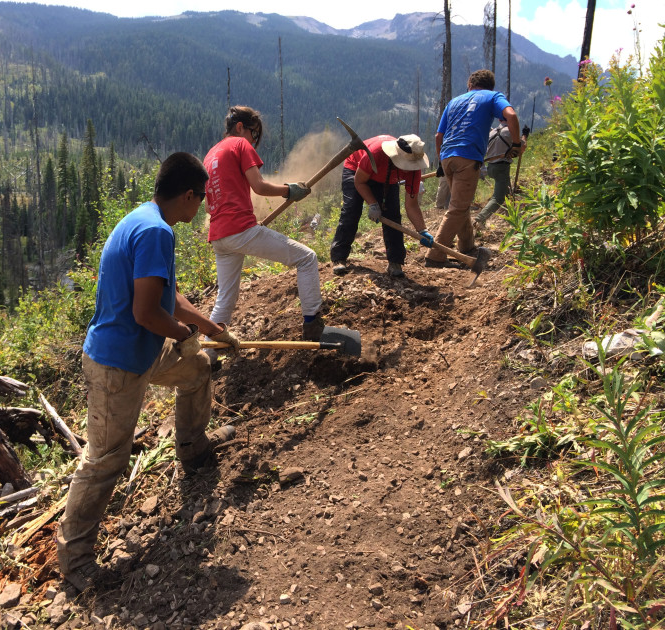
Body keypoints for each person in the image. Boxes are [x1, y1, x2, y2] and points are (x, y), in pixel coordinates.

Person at [57, 152, 241, 592]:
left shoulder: (147, 219)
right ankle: (76, 560)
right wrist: (182, 334)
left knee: (196, 369)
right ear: (187, 195)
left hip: (140, 351)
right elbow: (145, 312)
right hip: (117, 364)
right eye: (200, 201)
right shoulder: (157, 232)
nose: (199, 211)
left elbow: (167, 298)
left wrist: (211, 328)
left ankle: (193, 449)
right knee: (106, 461)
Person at [204, 106, 322, 341]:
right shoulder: (240, 144)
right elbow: (259, 186)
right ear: (240, 127)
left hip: (219, 236)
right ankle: (313, 325)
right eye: (253, 134)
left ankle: (209, 354)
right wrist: (290, 190)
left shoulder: (210, 155)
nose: (254, 140)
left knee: (225, 298)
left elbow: (208, 206)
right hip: (240, 229)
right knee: (307, 259)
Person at [426, 69, 521, 268]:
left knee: (462, 203)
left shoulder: (454, 102)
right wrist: (516, 144)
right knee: (458, 208)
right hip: (467, 157)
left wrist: (442, 161)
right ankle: (435, 255)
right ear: (491, 86)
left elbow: (438, 136)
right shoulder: (493, 96)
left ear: (470, 85)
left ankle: (467, 246)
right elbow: (511, 115)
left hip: (447, 156)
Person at [330, 134, 435, 278]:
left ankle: (395, 262)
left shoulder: (414, 169)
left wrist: (422, 230)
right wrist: (373, 204)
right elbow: (359, 182)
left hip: (386, 179)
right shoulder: (376, 153)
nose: (407, 170)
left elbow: (411, 205)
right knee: (352, 210)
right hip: (356, 170)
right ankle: (339, 258)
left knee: (392, 214)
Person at [473, 119, 527, 229]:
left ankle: (513, 220)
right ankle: (480, 219)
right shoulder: (510, 132)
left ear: (499, 119)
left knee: (507, 194)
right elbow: (522, 148)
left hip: (491, 167)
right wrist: (525, 136)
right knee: (498, 198)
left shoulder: (492, 132)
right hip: (501, 167)